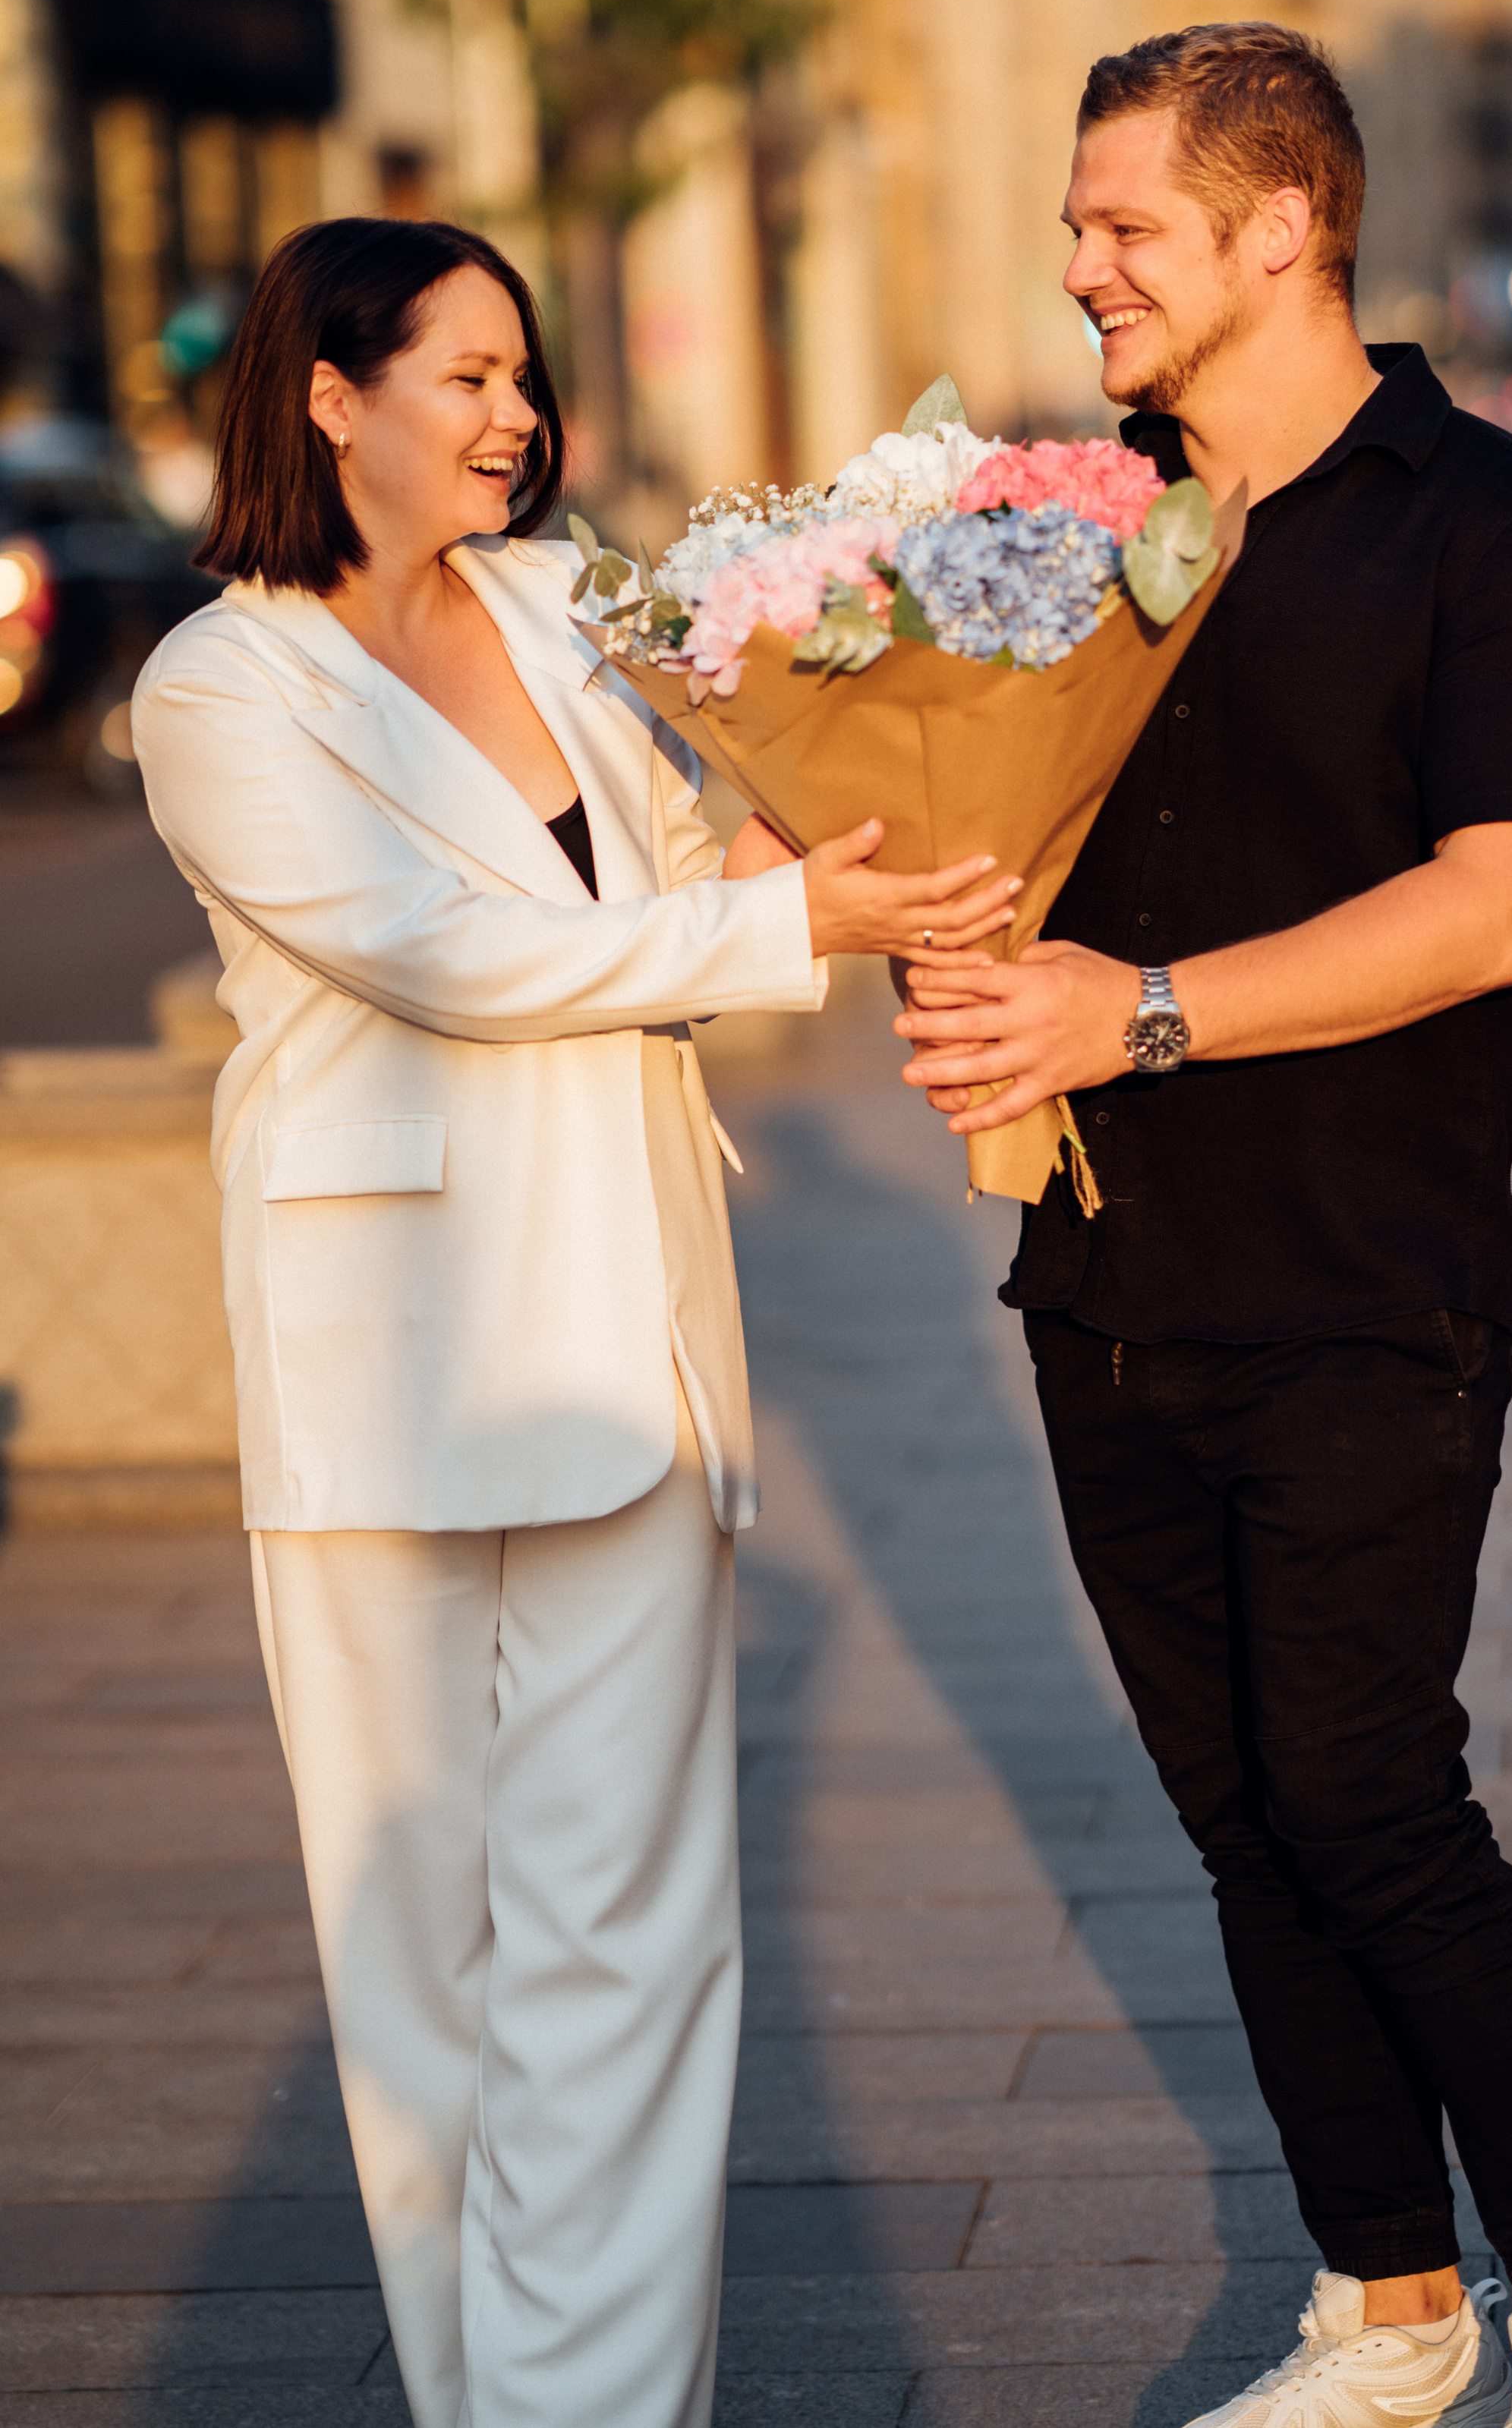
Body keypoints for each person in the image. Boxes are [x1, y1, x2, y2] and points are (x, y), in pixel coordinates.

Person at [894, 28, 1512, 2428]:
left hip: (1374, 1296)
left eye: (1122, 226)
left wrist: (1127, 1011)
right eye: (1077, 225)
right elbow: (945, 817)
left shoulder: (1494, 531)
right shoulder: (1047, 532)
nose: (1082, 269)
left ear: (1282, 232)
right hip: (1104, 1293)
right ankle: (1385, 2314)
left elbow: (1497, 911)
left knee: (1373, 1799)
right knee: (1241, 1820)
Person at [131, 217, 1016, 2428]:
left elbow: (720, 838)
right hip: (392, 1367)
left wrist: (905, 801)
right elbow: (441, 948)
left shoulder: (568, 606)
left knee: (636, 1948)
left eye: (526, 377)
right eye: (468, 377)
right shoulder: (217, 688)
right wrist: (774, 922)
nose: (519, 417)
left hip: (632, 1335)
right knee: (420, 1964)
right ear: (329, 399)